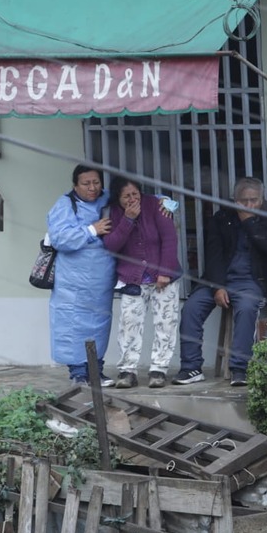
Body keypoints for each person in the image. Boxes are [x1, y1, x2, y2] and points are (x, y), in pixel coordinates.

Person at [174, 177, 267, 387]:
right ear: (235, 200)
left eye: (254, 200)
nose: (249, 205)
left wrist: (250, 222)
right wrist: (218, 286)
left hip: (251, 281)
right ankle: (191, 367)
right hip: (218, 280)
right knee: (191, 308)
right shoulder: (222, 217)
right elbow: (213, 254)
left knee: (246, 308)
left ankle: (239, 369)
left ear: (262, 199)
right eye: (244, 201)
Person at [102, 176, 181, 389]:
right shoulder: (113, 213)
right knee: (129, 324)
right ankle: (127, 371)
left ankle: (159, 370)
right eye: (126, 196)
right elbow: (111, 245)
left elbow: (170, 238)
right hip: (131, 278)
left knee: (165, 323)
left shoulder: (156, 205)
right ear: (117, 198)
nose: (132, 199)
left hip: (163, 276)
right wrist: (127, 220)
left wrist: (164, 271)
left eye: (135, 194)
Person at [47, 164, 116, 386]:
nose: (92, 188)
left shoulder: (108, 199)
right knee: (71, 326)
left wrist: (164, 201)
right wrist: (91, 230)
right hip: (72, 283)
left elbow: (136, 198)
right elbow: (60, 239)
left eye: (96, 182)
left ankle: (97, 371)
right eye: (86, 183)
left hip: (101, 280)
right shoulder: (65, 205)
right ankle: (78, 372)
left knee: (99, 324)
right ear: (75, 185)